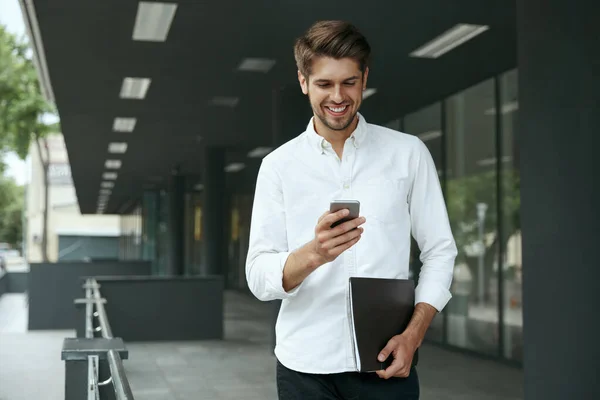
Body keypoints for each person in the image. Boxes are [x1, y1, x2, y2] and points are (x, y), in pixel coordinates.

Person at [246, 20, 457, 400]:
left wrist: (414, 335)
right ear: (303, 82)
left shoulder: (408, 154)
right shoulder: (278, 166)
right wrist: (314, 254)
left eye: (349, 82)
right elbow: (259, 276)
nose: (338, 96)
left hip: (386, 362)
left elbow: (440, 251)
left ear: (364, 79)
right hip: (304, 368)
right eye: (325, 83)